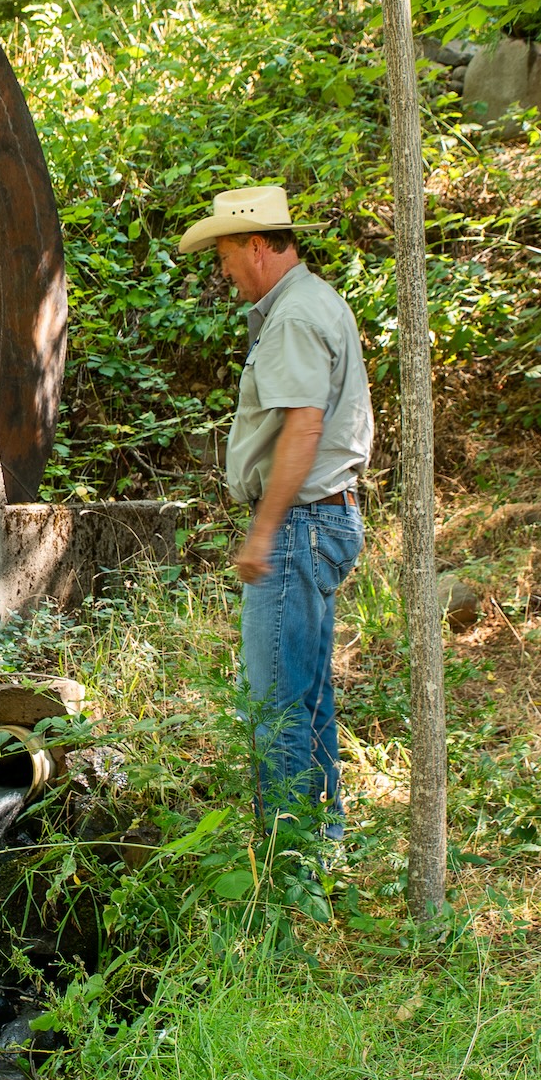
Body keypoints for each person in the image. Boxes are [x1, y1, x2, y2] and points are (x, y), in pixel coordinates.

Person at [179, 186, 374, 840]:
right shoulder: (314, 302)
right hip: (323, 518)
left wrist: (264, 532)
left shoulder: (292, 316)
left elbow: (303, 427)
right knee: (309, 698)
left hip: (300, 524)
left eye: (225, 253)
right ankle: (322, 846)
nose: (222, 270)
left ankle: (290, 875)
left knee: (275, 708)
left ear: (258, 246)